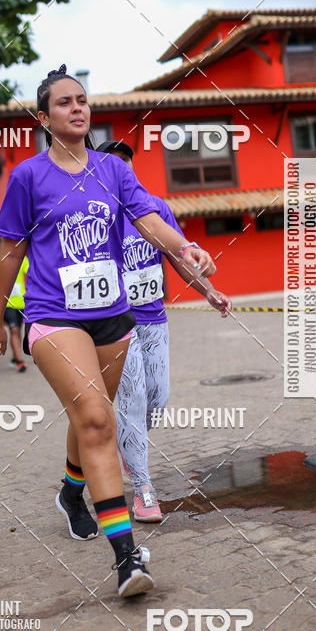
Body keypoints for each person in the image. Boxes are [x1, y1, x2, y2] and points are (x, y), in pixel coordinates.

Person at [0, 64, 216, 598]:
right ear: (44, 118)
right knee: (96, 419)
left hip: (112, 315)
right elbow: (8, 256)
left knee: (87, 415)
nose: (77, 108)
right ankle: (127, 557)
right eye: (64, 102)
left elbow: (148, 219)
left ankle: (71, 491)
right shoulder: (27, 177)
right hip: (53, 314)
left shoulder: (113, 172)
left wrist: (183, 249)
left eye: (82, 100)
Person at [97, 140, 232, 522]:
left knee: (158, 399)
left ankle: (126, 443)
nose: (122, 173)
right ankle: (143, 489)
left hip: (155, 320)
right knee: (134, 401)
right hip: (117, 325)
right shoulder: (97, 216)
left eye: (127, 166)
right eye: (113, 166)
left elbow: (178, 255)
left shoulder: (155, 209)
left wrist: (209, 291)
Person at [0, 253, 29, 372]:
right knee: (14, 329)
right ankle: (20, 361)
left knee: (17, 332)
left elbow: (29, 278)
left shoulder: (23, 259)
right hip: (6, 303)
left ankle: (14, 357)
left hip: (21, 302)